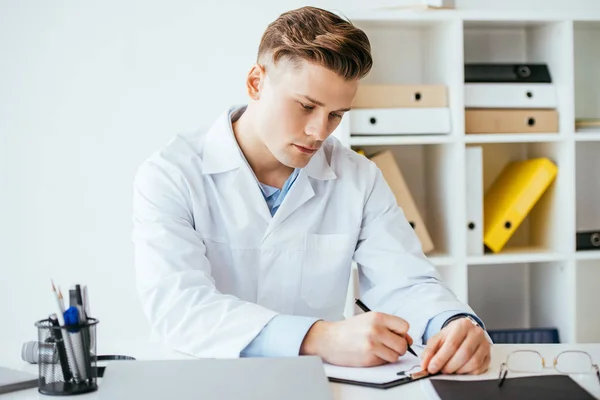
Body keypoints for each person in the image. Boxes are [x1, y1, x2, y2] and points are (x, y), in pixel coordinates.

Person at [132, 5, 491, 375]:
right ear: (256, 82)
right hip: (205, 378)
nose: (320, 132)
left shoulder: (359, 177)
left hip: (319, 383)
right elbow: (180, 307)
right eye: (306, 106)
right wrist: (318, 337)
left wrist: (450, 323)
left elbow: (404, 282)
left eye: (336, 114)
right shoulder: (171, 175)